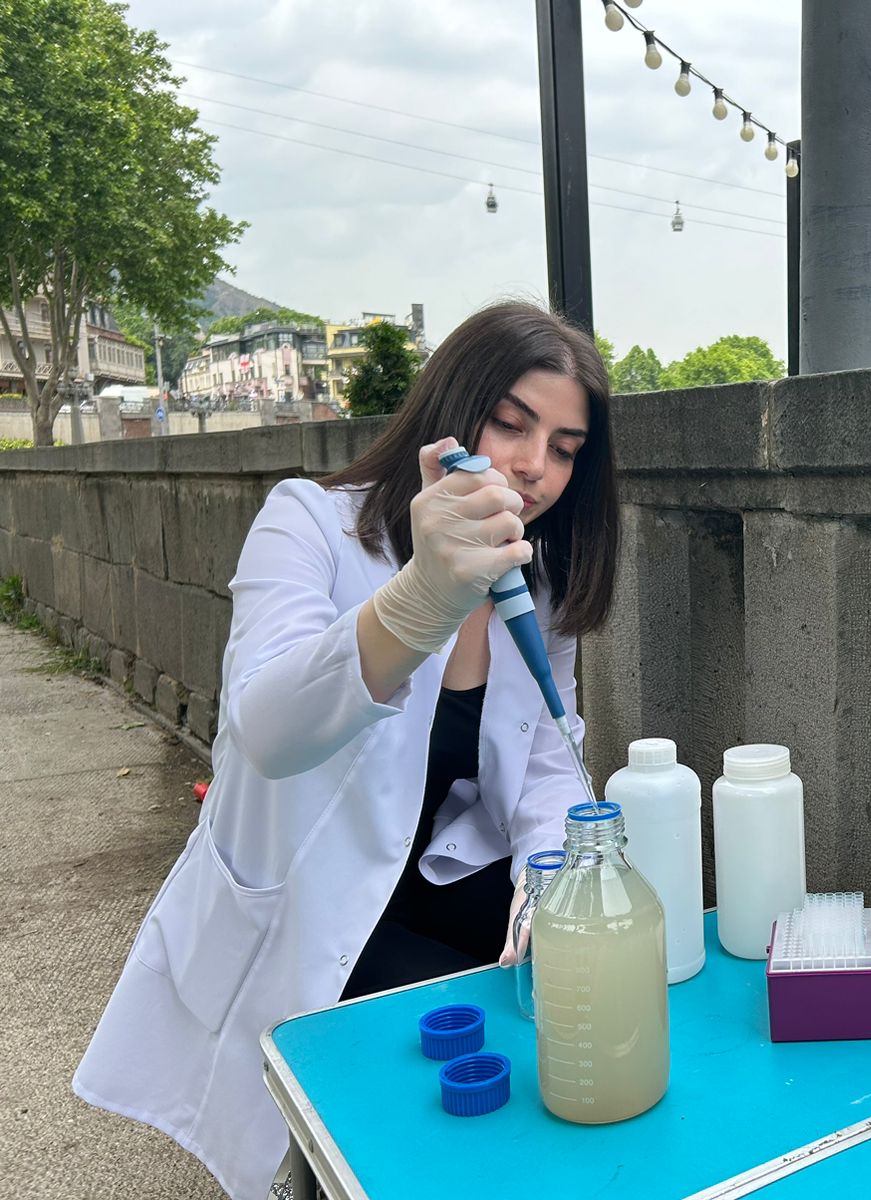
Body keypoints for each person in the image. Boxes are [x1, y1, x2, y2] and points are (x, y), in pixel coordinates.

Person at [72, 301, 619, 1198]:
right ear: (451, 413)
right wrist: (422, 598)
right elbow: (267, 729)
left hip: (439, 873)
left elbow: (550, 755)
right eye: (511, 424)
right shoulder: (310, 524)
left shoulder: (536, 577)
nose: (534, 467)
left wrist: (552, 880)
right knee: (432, 1085)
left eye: (564, 448)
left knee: (579, 1000)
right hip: (314, 896)